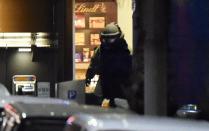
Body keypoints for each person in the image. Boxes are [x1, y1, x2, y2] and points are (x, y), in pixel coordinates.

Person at [85, 22, 132, 107]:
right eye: (104, 39)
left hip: (122, 86)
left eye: (110, 39)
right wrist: (89, 77)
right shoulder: (100, 50)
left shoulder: (126, 50)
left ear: (118, 38)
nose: (106, 42)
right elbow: (93, 66)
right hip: (105, 84)